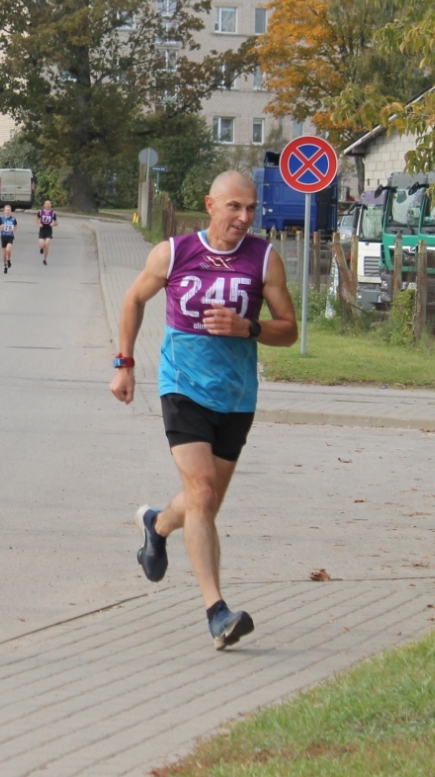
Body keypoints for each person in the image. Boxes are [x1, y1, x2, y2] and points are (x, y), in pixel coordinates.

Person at [110, 171, 298, 651]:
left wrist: (248, 328)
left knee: (204, 503)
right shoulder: (174, 252)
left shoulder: (264, 259)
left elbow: (289, 329)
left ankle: (156, 524)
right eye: (235, 207)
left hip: (236, 396)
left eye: (251, 208)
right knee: (203, 490)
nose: (245, 217)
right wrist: (125, 364)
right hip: (183, 387)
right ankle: (217, 611)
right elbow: (132, 298)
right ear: (210, 204)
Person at [38, 199, 58, 264]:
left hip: (49, 229)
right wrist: (39, 223)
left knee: (47, 244)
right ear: (44, 205)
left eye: (49, 204)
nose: (48, 205)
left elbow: (56, 222)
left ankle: (44, 259)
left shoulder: (53, 213)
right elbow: (37, 219)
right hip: (42, 229)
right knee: (42, 245)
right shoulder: (40, 212)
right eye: (46, 204)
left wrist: (53, 224)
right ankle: (41, 248)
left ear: (51, 205)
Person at [0, 205, 18, 274]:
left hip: (10, 236)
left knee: (8, 249)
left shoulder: (13, 219)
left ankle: (9, 259)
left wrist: (13, 229)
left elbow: (16, 226)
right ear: (4, 211)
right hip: (3, 236)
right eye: (6, 210)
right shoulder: (1, 219)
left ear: (11, 211)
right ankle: (5, 266)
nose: (7, 211)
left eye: (8, 210)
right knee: (4, 253)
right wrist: (0, 226)